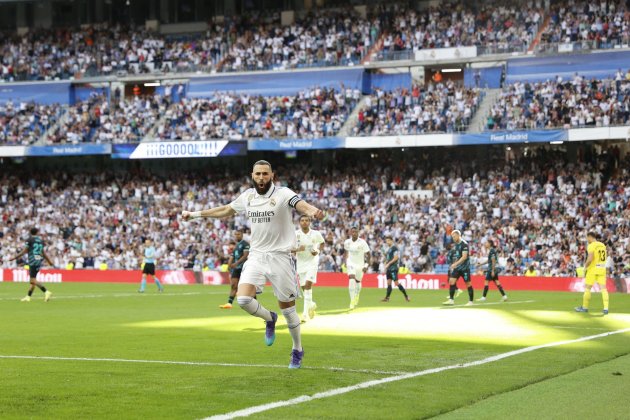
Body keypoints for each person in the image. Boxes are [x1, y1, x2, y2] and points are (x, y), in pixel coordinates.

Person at [182, 160, 324, 369]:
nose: (261, 178)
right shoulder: (248, 196)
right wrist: (194, 215)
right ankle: (269, 318)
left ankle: (297, 349)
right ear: (252, 175)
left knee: (289, 310)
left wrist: (311, 210)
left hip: (280, 257)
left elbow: (300, 204)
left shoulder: (283, 193)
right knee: (243, 299)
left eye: (265, 174)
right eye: (258, 174)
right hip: (257, 255)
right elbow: (226, 210)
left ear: (272, 175)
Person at [10, 227, 53, 302]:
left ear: (30, 232)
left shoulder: (29, 240)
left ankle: (46, 292)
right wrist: (49, 261)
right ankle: (28, 296)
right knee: (33, 280)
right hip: (38, 260)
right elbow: (43, 252)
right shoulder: (40, 241)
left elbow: (24, 251)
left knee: (32, 280)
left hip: (33, 261)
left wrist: (14, 257)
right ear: (37, 232)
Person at [295, 215, 325, 322]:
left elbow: (322, 243)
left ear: (309, 222)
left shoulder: (316, 234)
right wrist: (298, 249)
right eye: (302, 220)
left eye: (306, 220)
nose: (304, 222)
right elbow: (290, 249)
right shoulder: (296, 234)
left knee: (308, 285)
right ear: (299, 222)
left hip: (312, 262)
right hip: (301, 263)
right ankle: (311, 304)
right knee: (304, 288)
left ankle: (305, 314)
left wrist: (317, 251)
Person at [575, 232, 609, 314]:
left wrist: (585, 267)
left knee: (587, 288)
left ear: (590, 237)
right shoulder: (602, 245)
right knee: (603, 289)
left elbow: (590, 259)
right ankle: (606, 308)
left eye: (587, 238)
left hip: (593, 269)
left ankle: (585, 307)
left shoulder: (591, 245)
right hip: (602, 269)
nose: (587, 240)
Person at [220, 230, 250, 309]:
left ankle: (254, 303)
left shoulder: (245, 244)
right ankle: (229, 303)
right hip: (236, 268)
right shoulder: (236, 246)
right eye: (236, 234)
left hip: (244, 268)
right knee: (233, 285)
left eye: (238, 234)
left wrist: (236, 263)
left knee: (247, 286)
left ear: (242, 235)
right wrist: (229, 265)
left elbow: (245, 256)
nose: (237, 236)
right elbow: (232, 256)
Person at [443, 230, 474, 306]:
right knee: (451, 281)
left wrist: (455, 264)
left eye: (454, 236)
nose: (453, 238)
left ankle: (471, 301)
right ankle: (451, 300)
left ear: (458, 235)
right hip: (457, 268)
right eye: (452, 237)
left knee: (468, 284)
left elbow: (464, 257)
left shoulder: (464, 244)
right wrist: (454, 264)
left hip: (465, 268)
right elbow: (458, 256)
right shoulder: (456, 245)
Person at [343, 225, 371, 310]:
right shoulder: (347, 242)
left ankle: (357, 295)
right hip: (351, 263)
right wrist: (345, 261)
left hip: (360, 265)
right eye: (353, 232)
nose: (354, 233)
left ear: (358, 233)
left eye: (356, 232)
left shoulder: (362, 242)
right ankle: (351, 301)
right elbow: (346, 252)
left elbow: (369, 255)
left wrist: (366, 265)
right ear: (351, 233)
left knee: (358, 281)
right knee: (351, 279)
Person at [381, 236, 410, 302]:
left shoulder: (394, 248)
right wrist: (386, 262)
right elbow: (389, 258)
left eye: (388, 241)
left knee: (396, 283)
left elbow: (396, 257)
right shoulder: (389, 249)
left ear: (391, 241)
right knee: (388, 283)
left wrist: (388, 263)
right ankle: (387, 298)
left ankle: (406, 296)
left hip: (393, 268)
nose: (387, 242)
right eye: (386, 241)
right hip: (389, 268)